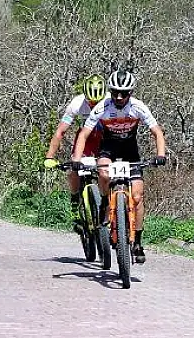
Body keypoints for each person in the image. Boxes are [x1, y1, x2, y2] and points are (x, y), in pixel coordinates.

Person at [71, 67, 166, 264]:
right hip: (109, 150)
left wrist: (160, 155)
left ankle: (138, 242)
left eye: (124, 93)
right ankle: (106, 201)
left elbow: (157, 131)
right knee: (104, 175)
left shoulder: (138, 107)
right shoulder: (102, 107)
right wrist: (77, 159)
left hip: (130, 152)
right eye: (115, 92)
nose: (119, 97)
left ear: (131, 93)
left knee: (138, 197)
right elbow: (84, 134)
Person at [43, 73, 107, 234]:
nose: (93, 105)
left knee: (107, 173)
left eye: (97, 102)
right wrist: (50, 157)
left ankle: (111, 208)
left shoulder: (110, 101)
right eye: (90, 101)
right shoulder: (77, 103)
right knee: (73, 170)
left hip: (106, 139)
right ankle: (74, 203)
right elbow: (60, 132)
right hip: (86, 140)